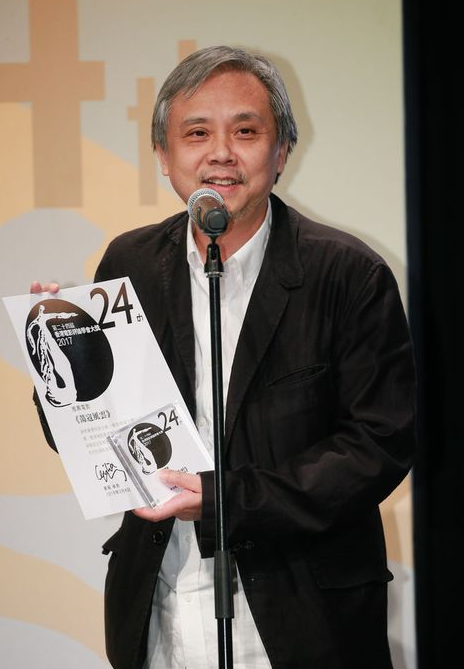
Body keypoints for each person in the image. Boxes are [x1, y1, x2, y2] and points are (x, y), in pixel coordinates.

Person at [32, 45, 416, 669]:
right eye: (196, 133)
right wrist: (57, 354)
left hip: (302, 616)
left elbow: (379, 444)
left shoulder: (348, 273)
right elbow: (85, 431)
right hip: (159, 610)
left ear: (281, 151)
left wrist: (225, 500)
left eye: (246, 131)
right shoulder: (130, 263)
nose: (220, 154)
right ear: (163, 155)